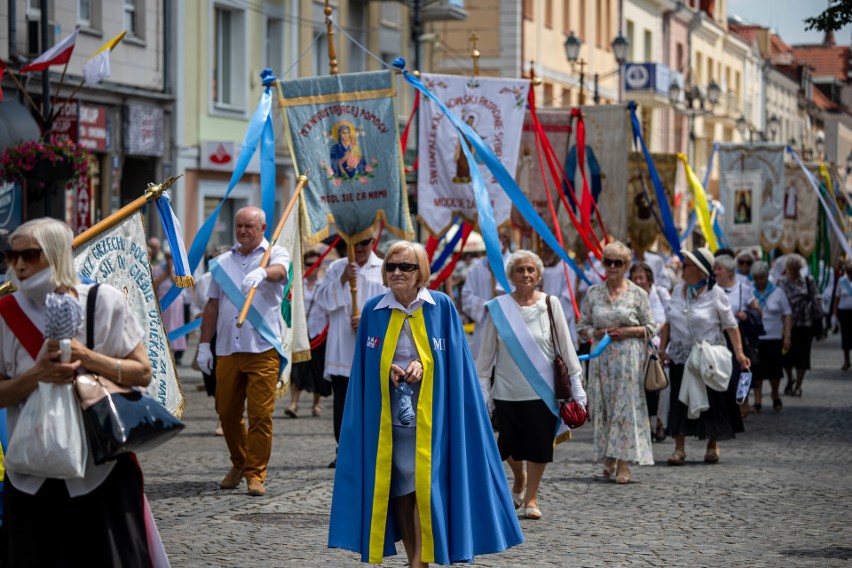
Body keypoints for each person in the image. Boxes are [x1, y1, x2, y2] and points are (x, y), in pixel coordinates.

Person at [329, 241, 523, 567]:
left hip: (434, 420)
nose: (397, 273)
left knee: (426, 488)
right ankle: (413, 559)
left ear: (421, 272)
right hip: (391, 424)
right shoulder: (374, 310)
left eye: (406, 267)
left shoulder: (441, 306)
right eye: (391, 266)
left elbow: (456, 363)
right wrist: (386, 366)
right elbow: (363, 367)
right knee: (401, 492)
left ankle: (421, 560)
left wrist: (425, 363)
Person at [0, 218, 160, 565]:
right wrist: (38, 376)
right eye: (12, 255)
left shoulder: (104, 301)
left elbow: (142, 372)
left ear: (57, 254)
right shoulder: (5, 313)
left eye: (30, 254)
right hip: (30, 471)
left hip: (98, 468)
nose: (19, 265)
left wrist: (86, 356)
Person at [476, 250, 585, 517]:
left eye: (531, 270)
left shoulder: (550, 303)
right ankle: (519, 478)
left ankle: (531, 500)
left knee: (539, 446)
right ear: (511, 275)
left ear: (538, 275)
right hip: (505, 391)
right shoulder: (498, 308)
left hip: (542, 391)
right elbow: (486, 355)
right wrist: (482, 391)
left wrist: (576, 383)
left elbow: (565, 345)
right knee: (508, 447)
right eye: (520, 270)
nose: (526, 274)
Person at [196, 207, 290, 497]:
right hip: (227, 348)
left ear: (262, 228)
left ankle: (255, 473)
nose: (243, 231)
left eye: (249, 226)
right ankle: (240, 462)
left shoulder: (274, 253)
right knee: (226, 412)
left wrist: (263, 272)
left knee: (260, 415)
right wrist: (203, 344)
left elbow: (280, 273)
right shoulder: (222, 262)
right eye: (239, 226)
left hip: (262, 349)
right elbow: (212, 304)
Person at [659, 248, 750, 466]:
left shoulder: (715, 293)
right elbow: (669, 323)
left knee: (712, 401)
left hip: (708, 356)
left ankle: (712, 444)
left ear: (700, 271)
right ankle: (679, 449)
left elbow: (731, 326)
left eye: (687, 264)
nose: (682, 267)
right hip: (682, 356)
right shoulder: (678, 289)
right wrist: (663, 348)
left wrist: (739, 352)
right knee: (679, 401)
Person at [578, 242, 656, 483]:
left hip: (627, 360)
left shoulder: (638, 294)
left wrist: (628, 331)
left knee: (624, 408)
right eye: (608, 262)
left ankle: (623, 462)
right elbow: (582, 327)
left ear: (626, 265)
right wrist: (596, 333)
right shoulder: (593, 293)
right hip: (601, 360)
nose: (612, 267)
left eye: (617, 262)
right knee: (604, 407)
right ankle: (608, 455)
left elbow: (651, 328)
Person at [314, 234, 386, 468]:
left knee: (373, 400)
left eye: (365, 243)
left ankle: (372, 448)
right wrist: (343, 280)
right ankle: (343, 448)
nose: (360, 248)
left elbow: (391, 305)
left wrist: (368, 320)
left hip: (373, 345)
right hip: (342, 348)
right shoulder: (336, 268)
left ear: (372, 243)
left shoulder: (383, 268)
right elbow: (323, 301)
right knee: (343, 402)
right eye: (354, 244)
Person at [286, 248, 332, 418]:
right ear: (304, 265)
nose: (313, 267)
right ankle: (293, 403)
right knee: (297, 368)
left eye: (316, 264)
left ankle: (316, 404)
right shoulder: (299, 284)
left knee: (318, 370)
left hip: (319, 333)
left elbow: (329, 308)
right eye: (309, 264)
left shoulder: (324, 284)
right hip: (302, 332)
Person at [714, 254, 760, 421]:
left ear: (730, 272)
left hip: (737, 336)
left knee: (739, 372)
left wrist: (746, 314)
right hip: (718, 336)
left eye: (719, 269)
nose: (716, 272)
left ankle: (742, 400)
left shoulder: (743, 289)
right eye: (715, 268)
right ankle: (725, 407)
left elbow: (757, 311)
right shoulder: (712, 289)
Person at [629, 261, 670, 442]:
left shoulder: (657, 294)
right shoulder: (628, 295)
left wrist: (648, 331)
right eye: (635, 278)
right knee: (640, 389)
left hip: (655, 348)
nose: (638, 281)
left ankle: (659, 424)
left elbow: (664, 321)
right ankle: (645, 427)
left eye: (641, 278)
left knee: (657, 386)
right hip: (635, 348)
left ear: (649, 279)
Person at [461, 228, 512, 359]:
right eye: (495, 238)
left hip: (510, 326)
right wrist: (485, 305)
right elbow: (466, 296)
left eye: (503, 238)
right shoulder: (478, 267)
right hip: (484, 325)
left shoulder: (516, 264)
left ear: (507, 240)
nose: (499, 241)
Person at [777, 254, 821, 397]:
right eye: (791, 268)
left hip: (804, 323)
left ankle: (798, 386)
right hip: (787, 324)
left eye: (797, 268)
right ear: (787, 269)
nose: (794, 271)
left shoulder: (808, 281)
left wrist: (814, 301)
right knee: (786, 356)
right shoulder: (782, 282)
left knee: (803, 356)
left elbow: (816, 297)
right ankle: (790, 379)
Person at [751, 260, 792, 412]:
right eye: (756, 278)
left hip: (774, 337)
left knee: (774, 371)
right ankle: (757, 400)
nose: (759, 281)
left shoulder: (778, 292)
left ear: (767, 276)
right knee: (757, 371)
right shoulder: (750, 292)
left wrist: (787, 335)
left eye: (762, 278)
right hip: (756, 338)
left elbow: (787, 314)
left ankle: (775, 395)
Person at [152, 248, 187, 364]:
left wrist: (170, 272)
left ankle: (175, 352)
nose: (169, 259)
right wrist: (165, 272)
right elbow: (155, 283)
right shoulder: (158, 268)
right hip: (163, 299)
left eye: (171, 257)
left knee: (174, 324)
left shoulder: (178, 269)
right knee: (164, 325)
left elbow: (178, 285)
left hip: (175, 301)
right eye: (167, 257)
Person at [832, 261, 852, 370]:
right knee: (845, 336)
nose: (850, 273)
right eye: (848, 271)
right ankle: (846, 360)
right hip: (844, 312)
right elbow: (836, 298)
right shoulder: (841, 281)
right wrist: (834, 314)